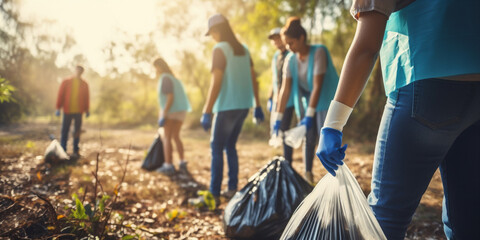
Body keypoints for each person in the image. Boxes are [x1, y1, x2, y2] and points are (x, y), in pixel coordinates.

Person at [316, 0, 480, 239]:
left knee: (384, 218)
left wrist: (332, 124)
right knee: (467, 220)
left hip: (425, 89)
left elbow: (366, 47)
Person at [201, 13, 264, 201]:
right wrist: (257, 105)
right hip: (243, 106)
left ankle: (213, 194)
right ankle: (231, 188)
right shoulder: (244, 49)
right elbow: (254, 79)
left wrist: (207, 110)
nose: (212, 36)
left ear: (217, 30)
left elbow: (216, 82)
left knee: (217, 147)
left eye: (211, 32)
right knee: (230, 146)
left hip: (227, 106)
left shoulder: (219, 49)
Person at [273, 17, 339, 184]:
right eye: (286, 44)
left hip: (325, 99)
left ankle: (334, 179)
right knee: (307, 139)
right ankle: (308, 176)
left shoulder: (319, 52)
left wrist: (310, 116)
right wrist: (278, 119)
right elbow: (285, 89)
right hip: (305, 100)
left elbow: (318, 86)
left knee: (326, 141)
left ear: (302, 38)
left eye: (291, 43)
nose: (288, 47)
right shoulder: (290, 59)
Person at [153, 58, 191, 175]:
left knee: (167, 137)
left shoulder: (165, 78)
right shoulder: (175, 79)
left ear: (159, 67)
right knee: (176, 136)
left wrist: (164, 113)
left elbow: (170, 96)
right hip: (181, 111)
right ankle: (182, 161)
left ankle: (168, 165)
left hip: (170, 111)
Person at [267, 27, 296, 164]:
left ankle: (288, 162)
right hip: (277, 99)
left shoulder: (291, 55)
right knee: (279, 131)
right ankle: (285, 161)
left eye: (278, 38)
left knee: (286, 131)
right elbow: (275, 79)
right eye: (273, 39)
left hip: (289, 100)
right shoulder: (275, 57)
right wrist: (270, 97)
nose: (276, 41)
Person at [55, 65, 90, 159]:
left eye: (81, 71)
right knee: (65, 130)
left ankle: (75, 150)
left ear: (82, 72)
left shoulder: (84, 84)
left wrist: (87, 110)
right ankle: (63, 150)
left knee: (77, 131)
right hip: (67, 110)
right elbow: (60, 95)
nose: (79, 72)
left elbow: (87, 97)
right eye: (77, 70)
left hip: (79, 111)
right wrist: (58, 108)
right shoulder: (66, 82)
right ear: (75, 70)